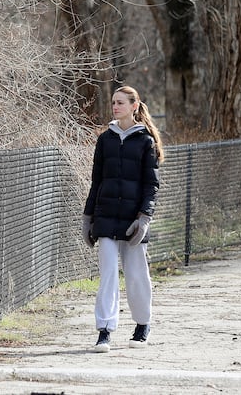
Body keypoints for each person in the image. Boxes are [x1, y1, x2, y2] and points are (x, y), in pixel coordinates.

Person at [81, 85, 164, 352]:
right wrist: (88, 217)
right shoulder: (105, 139)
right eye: (113, 102)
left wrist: (144, 217)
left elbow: (151, 185)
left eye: (120, 103)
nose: (115, 106)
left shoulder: (145, 141)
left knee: (137, 274)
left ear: (134, 106)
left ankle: (142, 324)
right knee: (107, 275)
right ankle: (104, 330)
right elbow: (96, 181)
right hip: (105, 217)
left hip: (132, 220)